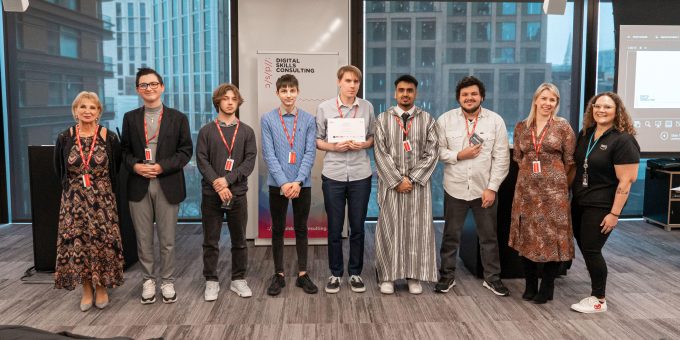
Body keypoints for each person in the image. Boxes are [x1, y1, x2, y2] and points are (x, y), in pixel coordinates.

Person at [121, 67, 193, 304]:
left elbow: (185, 152)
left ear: (162, 87)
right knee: (143, 237)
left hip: (166, 182)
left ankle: (168, 280)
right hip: (139, 183)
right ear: (137, 90)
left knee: (167, 237)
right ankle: (148, 280)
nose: (149, 88)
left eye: (153, 84)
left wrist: (162, 166)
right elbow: (125, 152)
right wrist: (136, 166)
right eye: (144, 85)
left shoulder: (178, 118)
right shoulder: (130, 118)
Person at [436, 76, 511, 296]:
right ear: (458, 98)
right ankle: (446, 276)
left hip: (484, 190)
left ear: (482, 97)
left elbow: (502, 158)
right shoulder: (445, 120)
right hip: (455, 188)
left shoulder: (495, 121)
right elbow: (437, 151)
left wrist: (492, 187)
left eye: (474, 94)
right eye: (465, 94)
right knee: (451, 235)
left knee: (489, 237)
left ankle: (492, 278)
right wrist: (459, 154)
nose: (469, 98)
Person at [53, 91, 124, 311]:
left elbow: (116, 165)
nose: (87, 111)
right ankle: (86, 288)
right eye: (83, 107)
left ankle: (101, 286)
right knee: (79, 243)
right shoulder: (65, 137)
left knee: (102, 242)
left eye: (92, 108)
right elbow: (59, 168)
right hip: (74, 201)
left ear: (98, 112)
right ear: (75, 110)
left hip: (102, 199)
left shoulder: (108, 136)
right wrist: (74, 190)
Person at [570, 92, 639, 313]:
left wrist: (615, 213)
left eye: (607, 107)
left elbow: (626, 181)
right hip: (580, 200)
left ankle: (599, 299)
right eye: (597, 106)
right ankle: (595, 290)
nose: (601, 110)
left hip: (602, 204)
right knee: (586, 246)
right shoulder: (587, 134)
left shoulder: (623, 140)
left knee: (591, 249)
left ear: (617, 111)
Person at [508, 83, 576, 304]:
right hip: (526, 191)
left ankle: (547, 287)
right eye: (544, 98)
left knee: (552, 238)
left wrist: (552, 178)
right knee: (527, 236)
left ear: (556, 103)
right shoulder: (522, 127)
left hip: (553, 193)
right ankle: (530, 285)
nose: (548, 104)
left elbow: (570, 161)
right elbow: (518, 157)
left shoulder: (562, 127)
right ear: (536, 100)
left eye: (553, 100)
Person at [374, 75, 439, 295]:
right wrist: (396, 180)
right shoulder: (383, 119)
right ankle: (388, 277)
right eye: (401, 90)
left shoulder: (427, 119)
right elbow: (379, 153)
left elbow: (433, 153)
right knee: (389, 229)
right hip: (391, 185)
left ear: (415, 93)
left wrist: (411, 179)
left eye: (409, 90)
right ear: (395, 93)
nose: (405, 94)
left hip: (417, 186)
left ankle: (413, 276)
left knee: (416, 230)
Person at [316, 65, 374, 293]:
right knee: (334, 228)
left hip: (361, 174)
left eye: (356, 82)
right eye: (348, 81)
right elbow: (318, 139)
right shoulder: (325, 107)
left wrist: (365, 144)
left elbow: (372, 137)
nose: (352, 85)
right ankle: (335, 273)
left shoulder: (367, 107)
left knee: (358, 227)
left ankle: (356, 273)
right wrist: (334, 146)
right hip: (334, 174)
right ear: (339, 82)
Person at [196, 83, 257, 300]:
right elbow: (202, 161)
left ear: (238, 102)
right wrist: (217, 183)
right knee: (210, 241)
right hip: (211, 195)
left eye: (234, 98)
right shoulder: (206, 131)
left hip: (237, 194)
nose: (230, 102)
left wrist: (227, 180)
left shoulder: (247, 131)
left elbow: (249, 162)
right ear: (218, 102)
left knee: (239, 240)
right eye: (225, 98)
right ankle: (211, 280)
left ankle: (238, 279)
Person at [261, 75, 318, 296]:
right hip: (278, 185)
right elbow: (269, 154)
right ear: (277, 93)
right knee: (278, 229)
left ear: (298, 92)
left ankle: (303, 274)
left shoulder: (308, 119)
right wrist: (284, 183)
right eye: (283, 90)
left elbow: (309, 153)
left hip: (302, 184)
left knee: (302, 228)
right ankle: (279, 274)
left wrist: (297, 181)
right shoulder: (267, 119)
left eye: (292, 90)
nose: (288, 94)